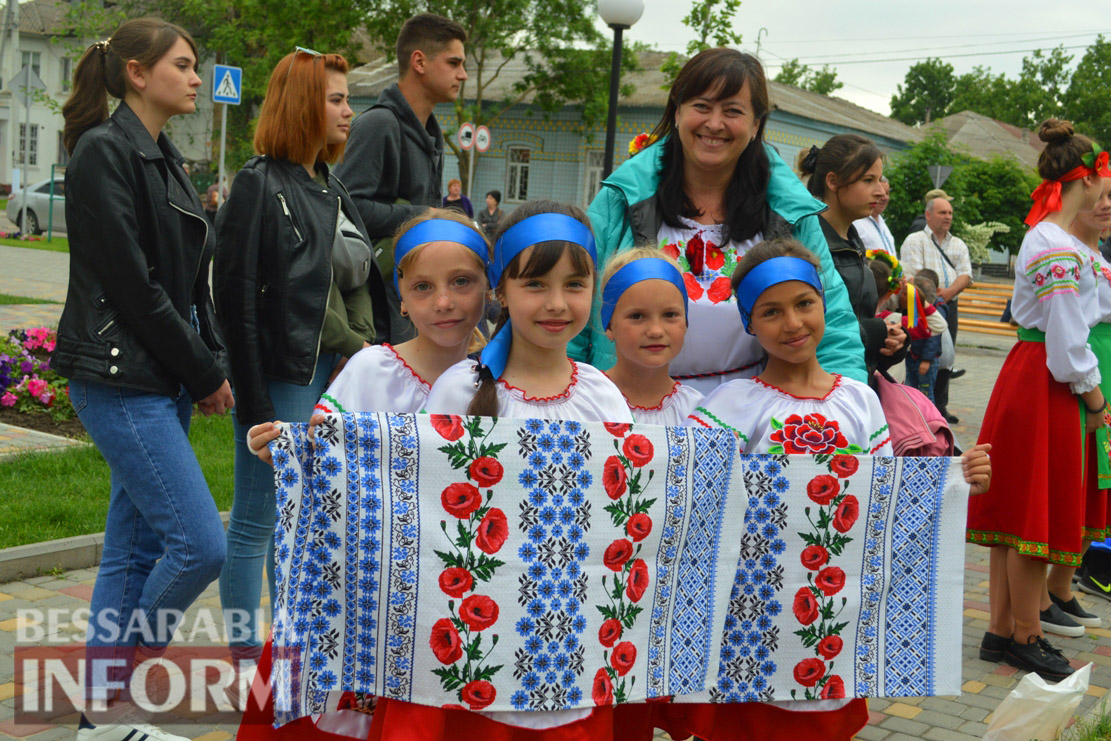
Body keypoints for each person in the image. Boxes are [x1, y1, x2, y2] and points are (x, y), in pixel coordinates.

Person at [684, 238, 991, 739]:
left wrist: (954, 484)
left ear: (824, 305)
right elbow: (694, 507)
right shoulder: (730, 407)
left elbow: (887, 502)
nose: (792, 324)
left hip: (833, 621)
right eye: (770, 311)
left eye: (804, 304)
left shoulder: (859, 401)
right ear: (748, 323)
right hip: (749, 626)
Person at [372, 199, 630, 740]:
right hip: (474, 654)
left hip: (569, 652)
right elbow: (413, 505)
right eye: (535, 284)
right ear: (500, 291)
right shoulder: (459, 390)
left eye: (574, 285)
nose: (557, 304)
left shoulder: (604, 397)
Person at [237, 209, 492, 741]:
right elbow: (330, 464)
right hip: (368, 596)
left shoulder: (501, 380)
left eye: (461, 282)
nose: (443, 302)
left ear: (490, 288)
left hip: (454, 605)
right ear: (400, 297)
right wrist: (288, 455)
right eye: (424, 286)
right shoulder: (371, 370)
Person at [54, 18, 234, 741]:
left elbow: (192, 284)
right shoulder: (105, 153)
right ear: (137, 71)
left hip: (158, 378)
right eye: (184, 65)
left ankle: (103, 719)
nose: (196, 77)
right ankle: (117, 685)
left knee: (132, 552)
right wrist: (202, 371)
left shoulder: (162, 154)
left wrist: (207, 361)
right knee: (200, 543)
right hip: (121, 377)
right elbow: (134, 288)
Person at [213, 48, 391, 691]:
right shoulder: (260, 183)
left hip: (331, 372)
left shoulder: (330, 186)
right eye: (337, 99)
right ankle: (246, 666)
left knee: (307, 516)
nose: (350, 111)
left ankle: (292, 657)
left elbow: (353, 279)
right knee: (261, 518)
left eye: (349, 99)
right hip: (283, 374)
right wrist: (257, 403)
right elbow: (234, 300)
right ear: (302, 106)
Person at [580, 48, 866, 394]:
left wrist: (845, 409)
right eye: (702, 106)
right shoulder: (620, 200)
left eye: (733, 111)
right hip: (633, 413)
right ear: (678, 111)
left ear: (756, 124)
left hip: (755, 418)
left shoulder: (789, 212)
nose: (714, 124)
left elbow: (831, 321)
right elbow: (574, 313)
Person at [967, 119, 1110, 681]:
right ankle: (1026, 634)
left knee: (1024, 511)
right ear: (1090, 181)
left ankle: (1003, 630)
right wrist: (1095, 398)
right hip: (1046, 381)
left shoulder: (1055, 239)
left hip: (1031, 376)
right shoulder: (1054, 244)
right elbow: (1068, 343)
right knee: (1035, 515)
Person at [335, 13, 468, 343]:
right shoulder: (378, 126)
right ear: (419, 62)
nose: (462, 74)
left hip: (410, 309)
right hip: (377, 320)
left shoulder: (428, 134)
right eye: (454, 63)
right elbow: (346, 210)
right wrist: (424, 217)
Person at [797, 135, 908, 378]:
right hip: (819, 395)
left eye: (879, 180)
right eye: (868, 180)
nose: (880, 192)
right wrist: (876, 331)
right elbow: (802, 332)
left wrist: (891, 345)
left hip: (853, 385)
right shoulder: (806, 246)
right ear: (833, 181)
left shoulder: (852, 239)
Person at [1065, 174, 1111, 620]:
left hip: (1104, 360)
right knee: (1086, 471)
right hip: (1092, 361)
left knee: (1102, 477)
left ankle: (1062, 585)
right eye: (1101, 195)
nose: (1106, 204)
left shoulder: (1098, 251)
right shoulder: (1067, 250)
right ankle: (1057, 586)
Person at [599, 247, 703, 424]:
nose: (656, 331)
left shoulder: (697, 412)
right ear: (609, 325)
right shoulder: (587, 400)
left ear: (685, 322)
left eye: (669, 315)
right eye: (637, 316)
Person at [900, 191, 973, 421]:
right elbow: (913, 273)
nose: (948, 217)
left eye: (950, 213)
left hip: (948, 304)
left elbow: (966, 274)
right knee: (922, 354)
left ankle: (940, 405)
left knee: (946, 357)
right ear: (928, 215)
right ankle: (917, 404)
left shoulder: (958, 243)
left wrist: (949, 292)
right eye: (942, 212)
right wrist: (932, 296)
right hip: (920, 306)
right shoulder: (915, 240)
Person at [853, 176, 895, 254]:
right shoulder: (856, 222)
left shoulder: (882, 222)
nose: (884, 197)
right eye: (880, 193)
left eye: (887, 193)